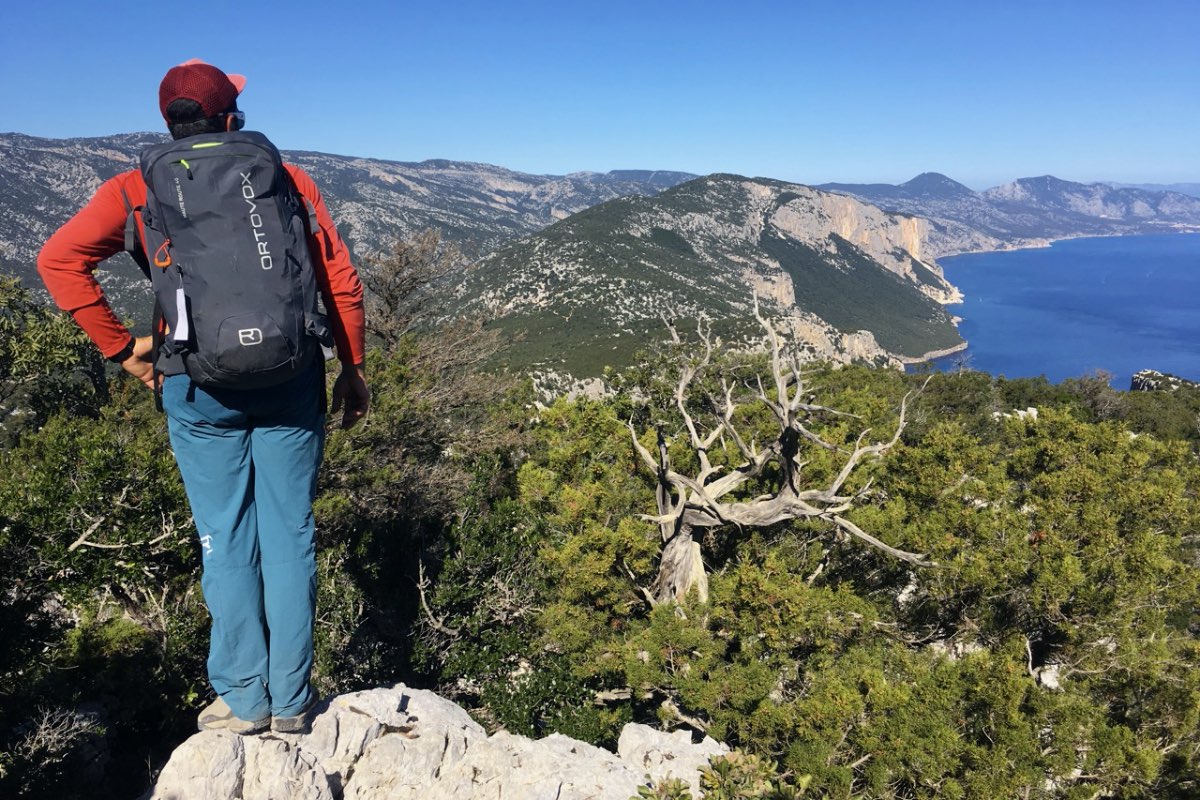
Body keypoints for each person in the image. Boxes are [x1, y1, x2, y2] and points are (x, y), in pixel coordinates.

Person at [37, 59, 369, 735]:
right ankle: (291, 702)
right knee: (289, 536)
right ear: (229, 117)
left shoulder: (135, 187)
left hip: (196, 384)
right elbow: (342, 281)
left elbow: (57, 260)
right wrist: (353, 368)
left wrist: (122, 349)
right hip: (289, 377)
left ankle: (243, 700)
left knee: (225, 538)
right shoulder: (286, 176)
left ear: (170, 120)